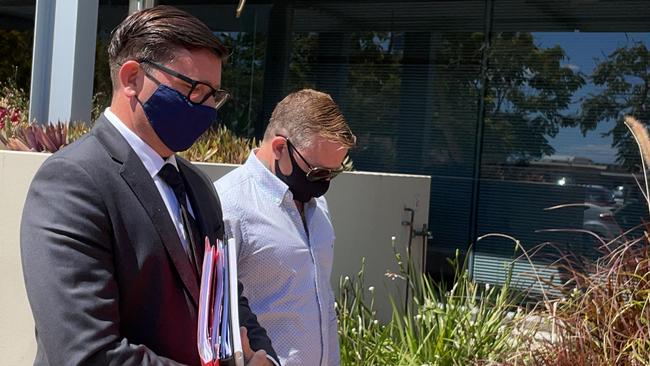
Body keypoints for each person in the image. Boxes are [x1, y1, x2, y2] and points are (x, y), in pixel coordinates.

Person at [20, 6, 278, 366]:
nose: (206, 107)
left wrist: (266, 357)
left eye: (213, 95)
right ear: (132, 79)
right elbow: (86, 353)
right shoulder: (71, 183)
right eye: (194, 90)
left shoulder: (197, 186)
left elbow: (227, 296)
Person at [215, 89, 356, 365]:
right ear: (280, 148)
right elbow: (216, 310)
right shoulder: (228, 205)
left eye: (333, 172)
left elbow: (323, 302)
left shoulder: (318, 206)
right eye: (318, 172)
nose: (325, 182)